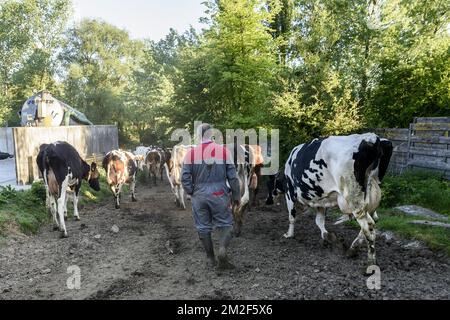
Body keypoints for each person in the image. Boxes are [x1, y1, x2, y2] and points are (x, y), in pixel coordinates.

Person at [181, 123, 240, 269]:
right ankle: (222, 250)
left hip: (199, 195)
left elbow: (184, 177)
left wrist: (191, 192)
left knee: (203, 227)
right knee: (226, 224)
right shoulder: (224, 152)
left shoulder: (191, 153)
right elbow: (233, 177)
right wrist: (237, 195)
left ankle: (210, 259)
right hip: (219, 193)